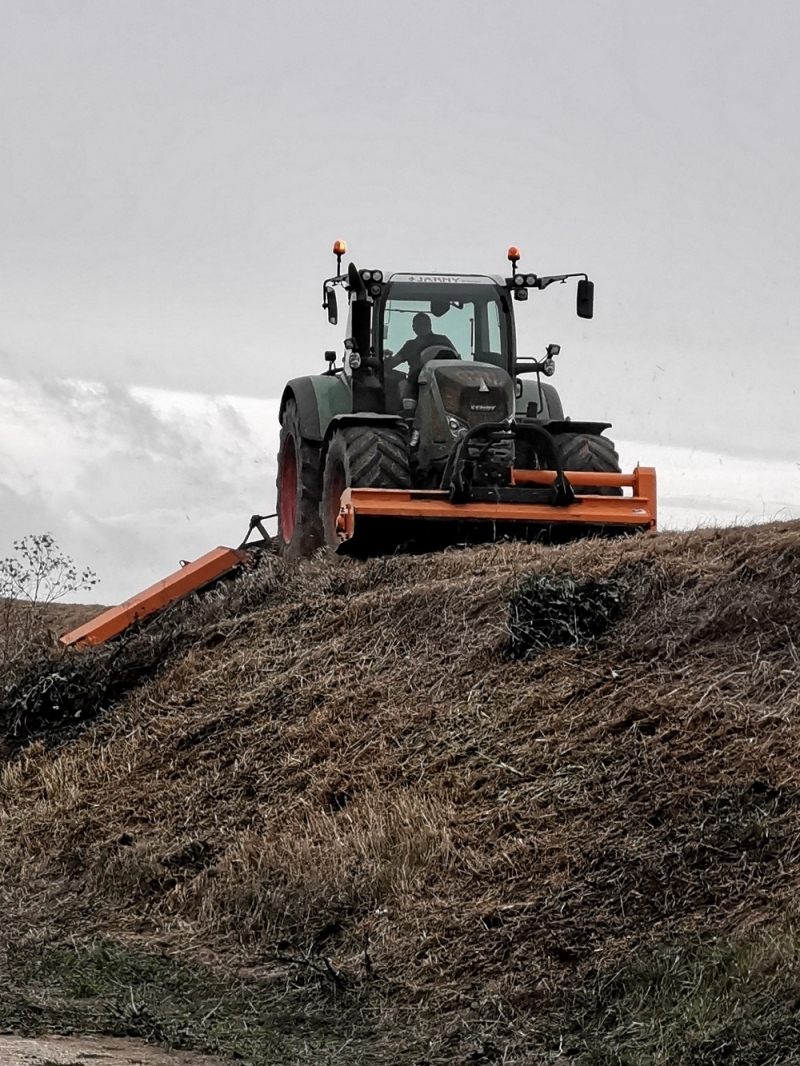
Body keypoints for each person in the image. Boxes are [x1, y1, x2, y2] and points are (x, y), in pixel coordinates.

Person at [385, 312, 457, 381]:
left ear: (414, 328)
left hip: (417, 386)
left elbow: (391, 364)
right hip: (443, 383)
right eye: (421, 324)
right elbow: (458, 360)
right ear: (430, 325)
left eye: (422, 324)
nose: (422, 326)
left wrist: (385, 358)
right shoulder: (443, 340)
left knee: (402, 383)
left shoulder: (411, 345)